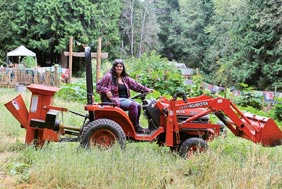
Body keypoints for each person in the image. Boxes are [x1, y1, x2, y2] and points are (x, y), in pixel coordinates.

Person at [96, 59, 153, 134]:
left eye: (121, 66)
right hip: (114, 99)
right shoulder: (108, 76)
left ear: (123, 68)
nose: (119, 68)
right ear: (114, 67)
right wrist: (106, 91)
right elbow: (98, 86)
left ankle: (136, 126)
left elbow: (136, 85)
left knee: (138, 106)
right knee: (133, 106)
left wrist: (147, 89)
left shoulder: (125, 78)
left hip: (125, 99)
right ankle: (135, 128)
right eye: (117, 66)